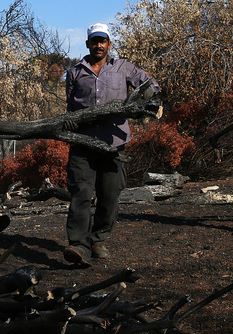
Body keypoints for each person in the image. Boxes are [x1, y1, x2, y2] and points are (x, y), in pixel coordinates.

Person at [63, 23, 160, 265]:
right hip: (82, 144)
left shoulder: (123, 67)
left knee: (110, 196)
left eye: (103, 41)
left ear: (109, 43)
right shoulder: (75, 71)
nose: (99, 45)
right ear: (87, 44)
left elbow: (150, 85)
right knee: (80, 195)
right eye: (94, 41)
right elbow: (70, 107)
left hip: (114, 144)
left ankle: (98, 239)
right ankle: (79, 246)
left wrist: (144, 102)